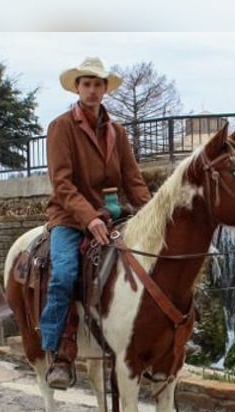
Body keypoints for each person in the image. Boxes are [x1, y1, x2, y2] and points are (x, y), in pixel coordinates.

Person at [41, 56, 152, 390]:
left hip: (113, 213)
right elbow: (62, 184)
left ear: (105, 90)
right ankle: (60, 352)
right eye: (86, 84)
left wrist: (152, 215)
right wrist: (88, 218)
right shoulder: (61, 127)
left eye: (97, 84)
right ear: (77, 88)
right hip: (70, 217)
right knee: (63, 274)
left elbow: (133, 180)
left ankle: (155, 338)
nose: (92, 90)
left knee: (152, 263)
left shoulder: (117, 131)